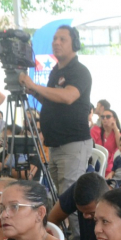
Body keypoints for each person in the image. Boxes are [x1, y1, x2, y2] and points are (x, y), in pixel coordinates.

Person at [19, 25, 93, 199]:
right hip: (55, 144)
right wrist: (34, 92)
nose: (56, 43)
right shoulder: (56, 71)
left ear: (75, 44)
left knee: (70, 199)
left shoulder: (80, 71)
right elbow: (52, 101)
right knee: (61, 197)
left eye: (62, 39)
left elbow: (68, 96)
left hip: (73, 143)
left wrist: (34, 85)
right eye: (54, 39)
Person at [49, 173, 109, 240]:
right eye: (81, 211)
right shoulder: (80, 190)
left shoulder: (118, 211)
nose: (85, 216)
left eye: (91, 213)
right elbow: (52, 220)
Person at [91, 108, 121, 174]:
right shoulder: (95, 130)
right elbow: (90, 145)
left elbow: (120, 146)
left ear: (114, 119)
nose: (105, 118)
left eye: (108, 117)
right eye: (102, 117)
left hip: (110, 163)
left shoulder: (117, 134)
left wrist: (115, 128)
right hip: (94, 160)